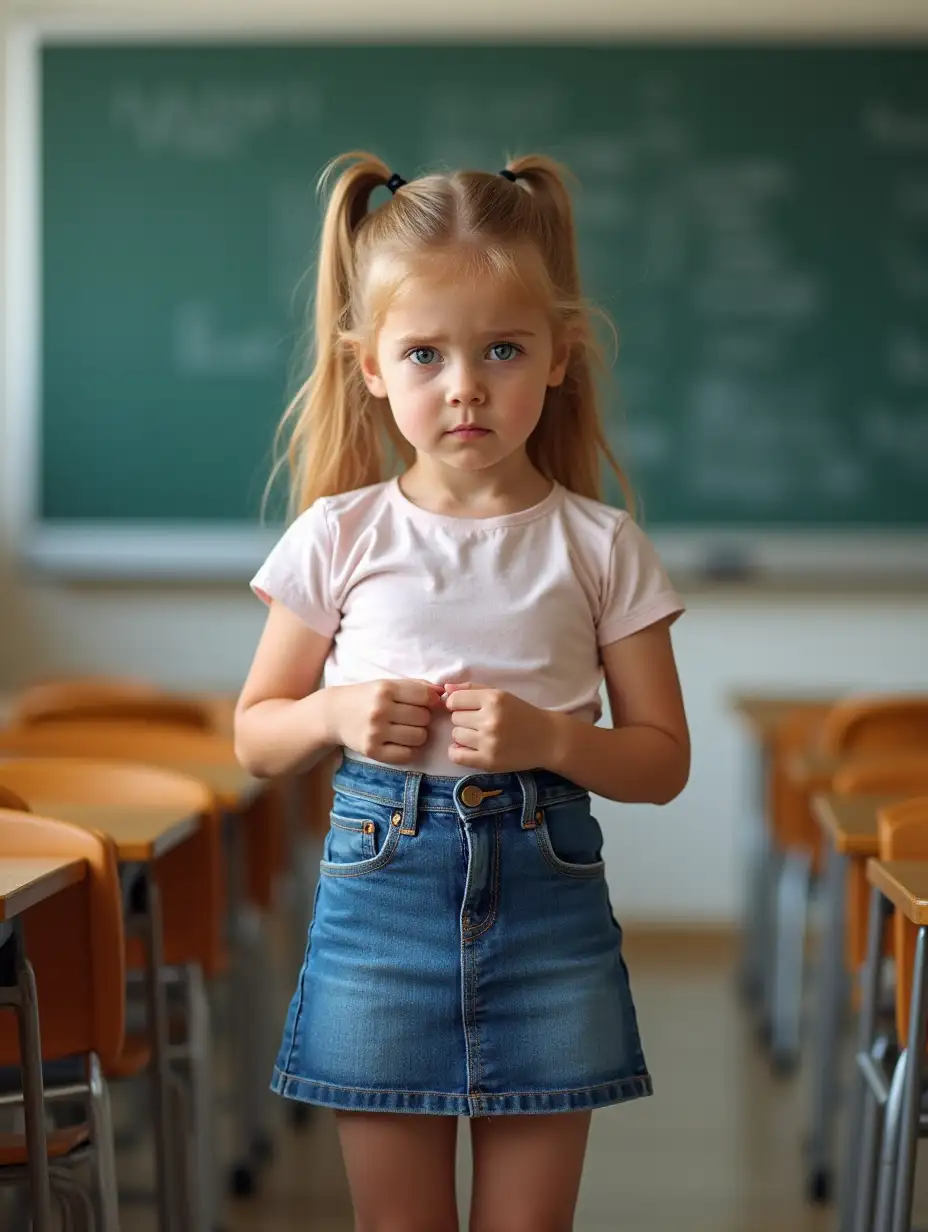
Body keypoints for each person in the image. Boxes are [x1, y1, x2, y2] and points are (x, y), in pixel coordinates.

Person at [234, 151, 690, 1232]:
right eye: (425, 353)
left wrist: (553, 737)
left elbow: (661, 758)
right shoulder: (338, 537)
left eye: (501, 348)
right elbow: (255, 733)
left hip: (548, 906)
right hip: (380, 902)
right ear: (371, 366)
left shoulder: (600, 545)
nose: (466, 385)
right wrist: (336, 714)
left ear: (559, 357)